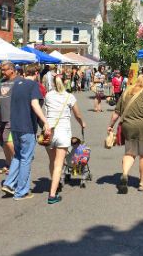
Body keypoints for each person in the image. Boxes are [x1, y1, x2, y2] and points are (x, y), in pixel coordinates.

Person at [0, 62, 51, 201]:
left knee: (18, 156)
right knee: (26, 159)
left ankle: (9, 183)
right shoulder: (33, 85)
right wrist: (45, 122)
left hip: (15, 125)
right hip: (26, 126)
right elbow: (35, 104)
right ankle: (21, 191)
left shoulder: (16, 84)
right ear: (36, 73)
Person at [44, 75, 86, 204]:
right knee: (59, 163)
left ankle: (55, 184)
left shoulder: (48, 96)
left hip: (49, 132)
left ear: (53, 83)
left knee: (52, 161)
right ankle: (52, 194)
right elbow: (77, 115)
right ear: (66, 82)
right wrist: (82, 123)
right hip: (63, 132)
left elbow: (45, 111)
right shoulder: (69, 97)